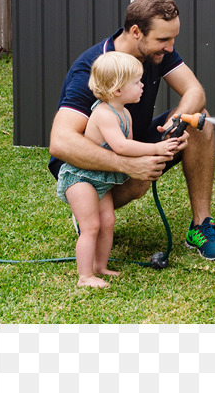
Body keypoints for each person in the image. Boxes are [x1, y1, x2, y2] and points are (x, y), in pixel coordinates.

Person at [48, 0, 215, 259]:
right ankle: (88, 209)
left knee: (198, 120)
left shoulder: (157, 52)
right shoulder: (93, 68)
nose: (170, 47)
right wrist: (126, 164)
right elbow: (61, 142)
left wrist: (176, 120)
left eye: (173, 39)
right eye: (163, 39)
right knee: (138, 181)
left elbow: (194, 91)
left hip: (131, 142)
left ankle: (201, 226)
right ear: (136, 32)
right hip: (85, 170)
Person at [57, 52, 155, 287]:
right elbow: (121, 145)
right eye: (137, 82)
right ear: (118, 90)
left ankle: (100, 266)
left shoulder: (125, 113)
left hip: (100, 179)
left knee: (108, 220)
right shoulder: (103, 113)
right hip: (81, 177)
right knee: (91, 226)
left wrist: (160, 150)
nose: (143, 85)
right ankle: (85, 276)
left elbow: (126, 150)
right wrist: (157, 147)